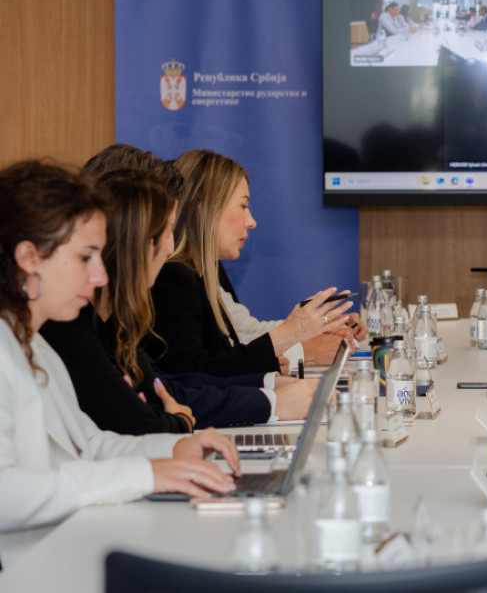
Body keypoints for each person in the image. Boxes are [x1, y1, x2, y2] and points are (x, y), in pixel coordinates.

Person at [0, 160, 240, 565]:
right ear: (29, 256)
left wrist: (177, 446)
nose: (99, 275)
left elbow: (92, 445)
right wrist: (147, 474)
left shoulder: (34, 346)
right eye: (86, 257)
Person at [42, 168, 317, 433]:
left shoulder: (113, 322)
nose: (170, 248)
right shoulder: (72, 329)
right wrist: (181, 420)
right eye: (165, 233)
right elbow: (143, 419)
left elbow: (167, 387)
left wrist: (268, 385)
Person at [148, 149, 353, 377]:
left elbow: (225, 357)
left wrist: (305, 330)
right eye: (243, 206)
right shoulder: (173, 277)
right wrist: (291, 333)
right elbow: (193, 375)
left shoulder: (198, 274)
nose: (251, 222)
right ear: (204, 208)